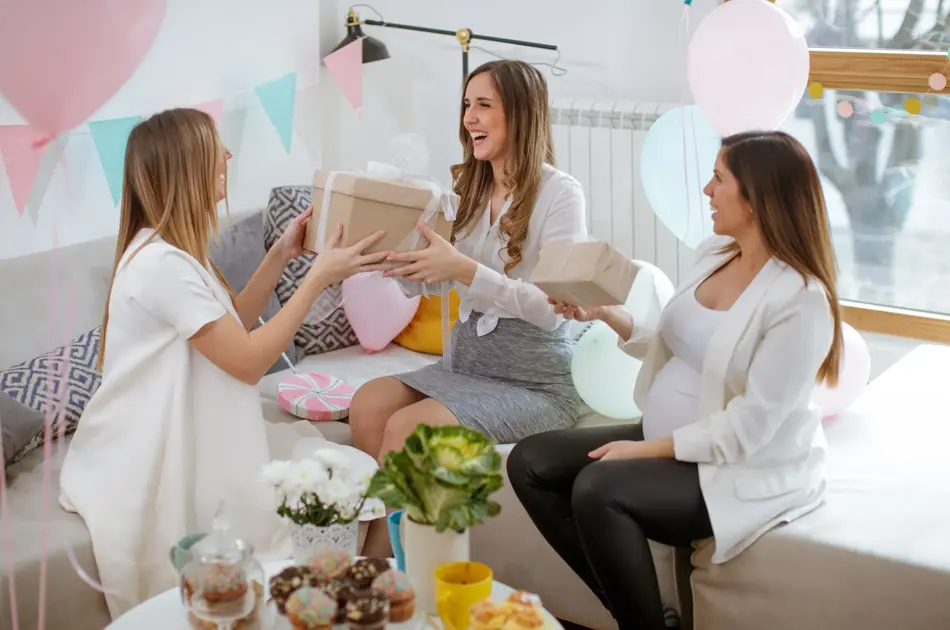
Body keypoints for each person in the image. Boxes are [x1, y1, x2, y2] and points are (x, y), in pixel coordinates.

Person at [58, 108, 390, 619]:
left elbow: (230, 321)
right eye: (218, 147)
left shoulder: (172, 253)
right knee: (331, 487)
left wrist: (281, 255)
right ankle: (344, 609)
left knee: (336, 478)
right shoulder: (161, 265)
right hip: (147, 452)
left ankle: (345, 606)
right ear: (188, 166)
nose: (229, 156)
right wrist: (318, 278)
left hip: (188, 431)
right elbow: (250, 362)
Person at [507, 130, 843, 629]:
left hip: (733, 466)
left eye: (719, 179)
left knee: (598, 487)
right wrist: (603, 313)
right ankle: (642, 613)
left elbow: (746, 430)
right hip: (668, 440)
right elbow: (675, 339)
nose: (707, 191)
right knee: (530, 461)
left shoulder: (800, 300)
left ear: (757, 197)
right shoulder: (716, 253)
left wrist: (640, 450)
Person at [348, 59, 588, 556]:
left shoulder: (560, 194)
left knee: (409, 429)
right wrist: (402, 266)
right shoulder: (469, 189)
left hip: (532, 380)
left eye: (483, 105)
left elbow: (552, 309)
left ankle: (379, 568)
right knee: (369, 402)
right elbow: (441, 284)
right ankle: (401, 552)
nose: (469, 118)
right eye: (465, 106)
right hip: (466, 366)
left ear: (521, 115)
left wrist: (461, 269)